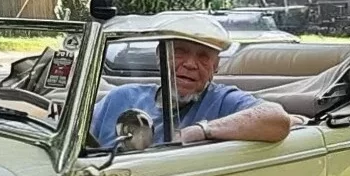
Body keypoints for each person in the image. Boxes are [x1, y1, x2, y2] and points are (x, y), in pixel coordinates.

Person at [91, 16, 305, 148]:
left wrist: (197, 132)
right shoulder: (121, 97)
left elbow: (276, 119)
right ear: (159, 56)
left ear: (215, 66)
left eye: (203, 56)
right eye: (180, 52)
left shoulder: (222, 101)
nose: (191, 64)